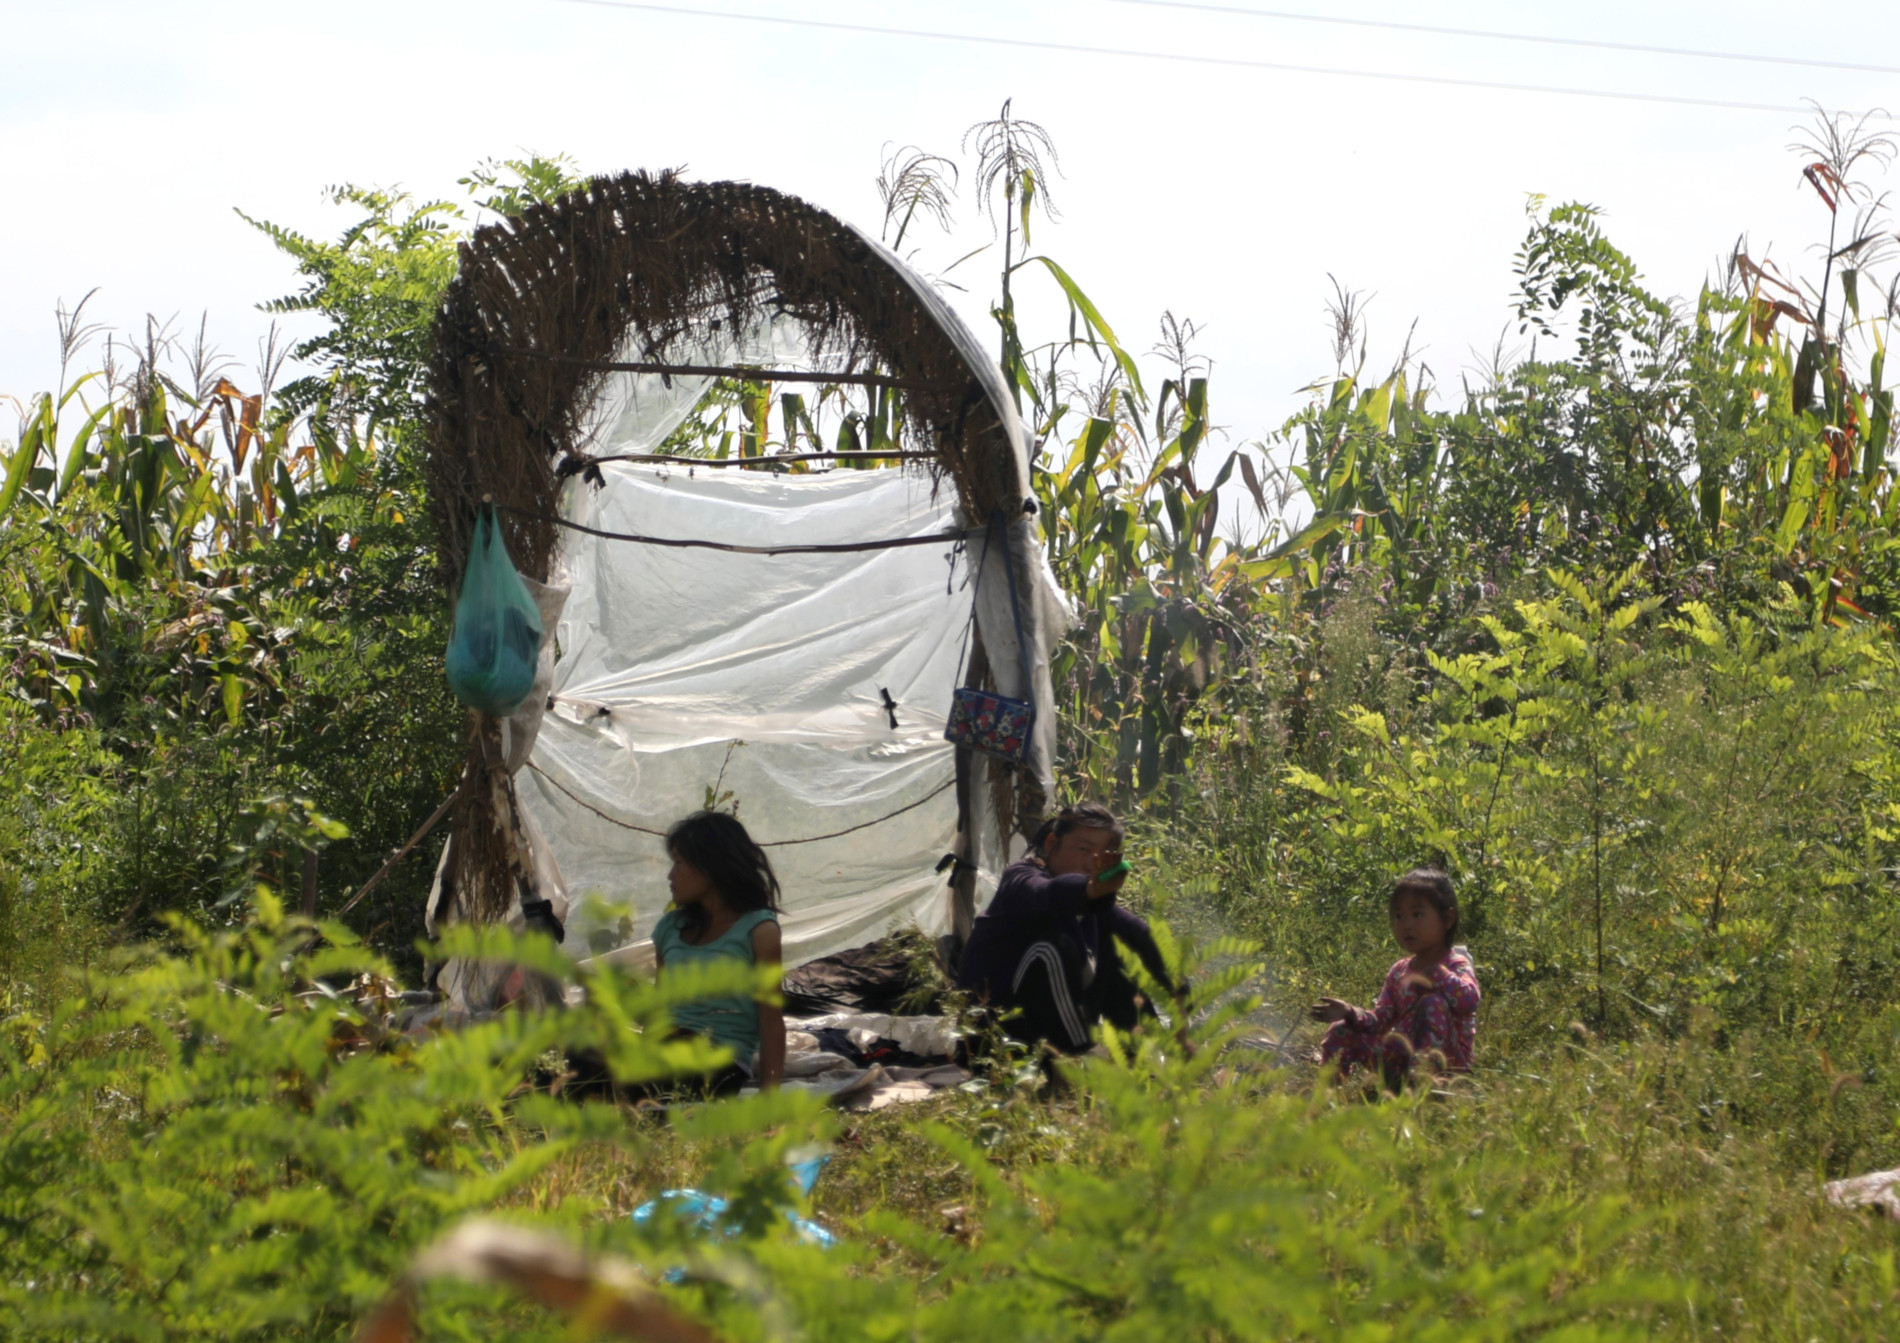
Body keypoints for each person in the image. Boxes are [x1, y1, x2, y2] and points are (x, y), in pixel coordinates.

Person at [956, 802, 1174, 1055]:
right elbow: (1049, 893)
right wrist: (1091, 889)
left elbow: (1140, 934)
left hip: (1049, 1045)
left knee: (1122, 952)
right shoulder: (1021, 879)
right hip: (995, 1047)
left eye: (1105, 854)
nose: (1093, 862)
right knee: (1051, 949)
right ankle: (1078, 1060)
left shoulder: (1095, 907)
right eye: (1084, 849)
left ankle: (1144, 1060)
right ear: (1051, 844)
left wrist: (1178, 993)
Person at [650, 810, 787, 1092]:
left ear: (711, 866)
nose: (670, 875)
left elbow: (770, 1020)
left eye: (678, 863)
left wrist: (770, 1096)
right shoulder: (669, 928)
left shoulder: (759, 931)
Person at [1310, 868, 1480, 1087]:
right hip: (1401, 1056)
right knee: (1340, 1029)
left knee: (1432, 1003)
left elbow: (1469, 1000)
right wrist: (1351, 1013)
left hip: (1449, 1063)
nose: (1406, 924)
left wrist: (1438, 974)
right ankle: (1328, 1092)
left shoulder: (1456, 963)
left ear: (1448, 918)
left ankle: (1425, 1085)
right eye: (1399, 916)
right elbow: (1381, 1020)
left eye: (1417, 914)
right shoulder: (1400, 971)